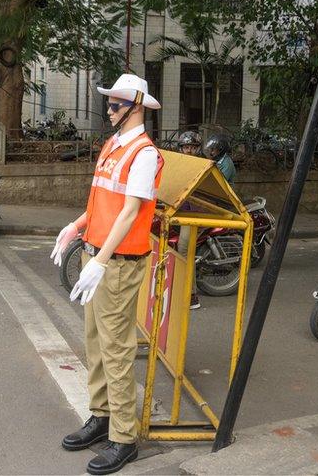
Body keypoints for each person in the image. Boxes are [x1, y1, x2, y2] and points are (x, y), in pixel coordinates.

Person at [51, 73, 162, 475]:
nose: (109, 109)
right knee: (95, 342)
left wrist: (101, 260)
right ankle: (101, 417)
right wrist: (77, 226)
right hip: (97, 255)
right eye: (109, 103)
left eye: (115, 104)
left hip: (117, 263)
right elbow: (103, 202)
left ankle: (123, 438)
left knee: (116, 350)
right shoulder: (113, 145)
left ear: (135, 106)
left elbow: (132, 211)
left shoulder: (144, 153)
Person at [176, 130, 203, 309]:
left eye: (192, 147)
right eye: (186, 147)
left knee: (184, 250)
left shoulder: (203, 165)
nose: (189, 150)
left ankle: (192, 295)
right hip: (179, 209)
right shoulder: (179, 164)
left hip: (194, 213)